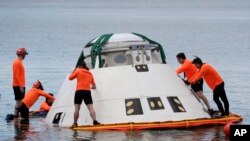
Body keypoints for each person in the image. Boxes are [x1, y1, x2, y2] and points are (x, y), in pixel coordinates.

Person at [69, 61, 100, 127]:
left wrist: (73, 71)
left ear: (80, 66)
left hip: (79, 91)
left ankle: (75, 123)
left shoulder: (78, 71)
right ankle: (95, 121)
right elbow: (94, 86)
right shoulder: (90, 73)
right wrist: (91, 87)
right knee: (90, 107)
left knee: (77, 108)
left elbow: (70, 78)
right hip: (87, 92)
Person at [12, 48, 28, 117]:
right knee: (19, 101)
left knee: (20, 102)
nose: (25, 56)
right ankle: (16, 116)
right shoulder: (17, 62)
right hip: (18, 85)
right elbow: (16, 75)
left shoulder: (20, 62)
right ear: (22, 54)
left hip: (20, 85)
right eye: (25, 54)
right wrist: (21, 86)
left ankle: (17, 115)